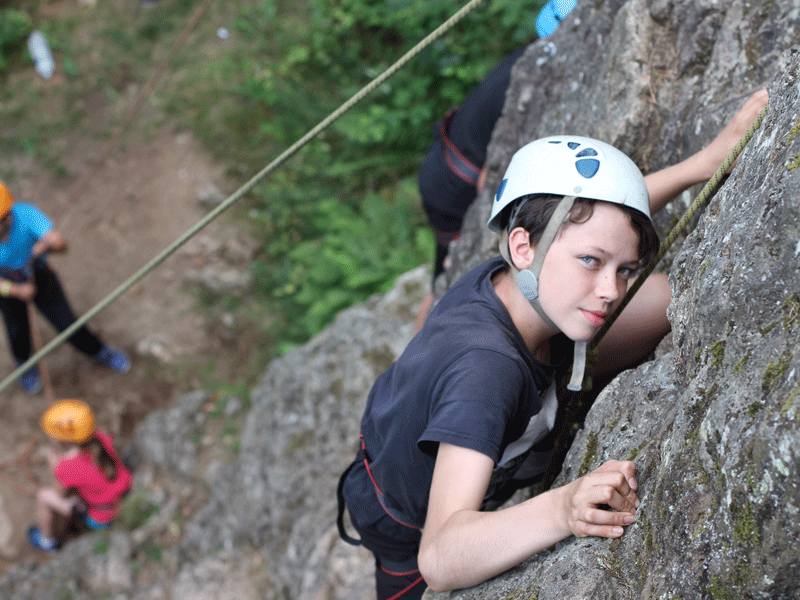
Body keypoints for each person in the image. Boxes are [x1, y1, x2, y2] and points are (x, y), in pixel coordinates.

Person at [337, 89, 767, 600]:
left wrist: (702, 166)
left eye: (623, 269)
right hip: (407, 531)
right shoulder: (486, 372)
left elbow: (597, 228)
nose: (610, 289)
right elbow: (439, 558)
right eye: (591, 264)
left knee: (672, 296)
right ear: (525, 247)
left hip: (450, 410)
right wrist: (564, 508)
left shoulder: (511, 277)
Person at [0, 182, 131, 394]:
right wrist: (17, 291)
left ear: (7, 216)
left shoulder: (25, 214)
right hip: (7, 290)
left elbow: (61, 245)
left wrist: (51, 243)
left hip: (39, 276)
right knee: (17, 333)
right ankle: (24, 366)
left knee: (68, 324)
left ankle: (100, 351)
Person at [28, 399, 132, 551]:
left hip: (101, 516)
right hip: (122, 494)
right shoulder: (100, 436)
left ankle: (47, 541)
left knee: (43, 495)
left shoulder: (67, 466)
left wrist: (55, 469)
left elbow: (60, 494)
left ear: (66, 441)